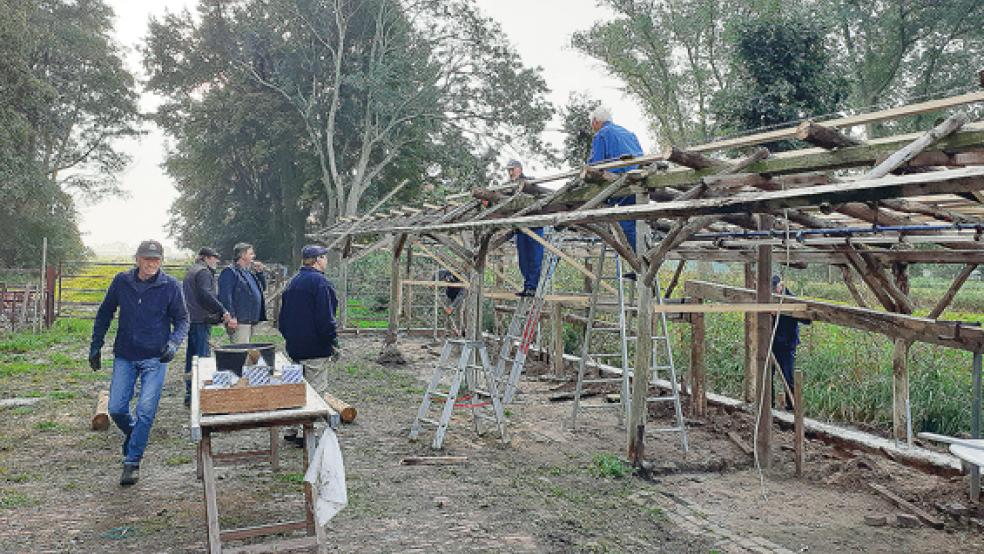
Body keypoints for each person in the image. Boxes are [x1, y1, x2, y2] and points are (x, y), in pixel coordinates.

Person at [88, 240, 189, 486]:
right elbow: (105, 312)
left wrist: (174, 343)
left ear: (161, 261)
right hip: (125, 354)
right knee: (116, 408)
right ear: (137, 259)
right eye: (147, 259)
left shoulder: (171, 286)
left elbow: (183, 319)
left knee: (146, 410)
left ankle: (132, 461)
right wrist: (96, 344)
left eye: (156, 259)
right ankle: (135, 435)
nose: (151, 263)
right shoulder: (122, 282)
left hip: (155, 357)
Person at [278, 245, 340, 446]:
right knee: (316, 389)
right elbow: (325, 318)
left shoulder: (293, 282)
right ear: (317, 260)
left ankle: (291, 430)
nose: (326, 261)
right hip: (315, 346)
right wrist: (332, 340)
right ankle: (313, 434)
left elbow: (282, 318)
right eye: (324, 257)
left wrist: (290, 337)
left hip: (295, 345)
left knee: (296, 388)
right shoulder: (320, 283)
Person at [587, 106, 644, 256]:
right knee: (637, 221)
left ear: (596, 122)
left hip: (620, 183)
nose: (592, 128)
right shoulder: (629, 133)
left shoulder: (602, 134)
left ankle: (640, 262)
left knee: (625, 224)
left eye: (592, 124)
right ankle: (643, 259)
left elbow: (596, 164)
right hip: (639, 179)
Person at [181, 247, 231, 407]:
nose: (216, 260)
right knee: (202, 358)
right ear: (205, 258)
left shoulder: (192, 270)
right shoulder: (203, 272)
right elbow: (205, 294)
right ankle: (200, 395)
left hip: (191, 318)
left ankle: (190, 394)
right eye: (213, 257)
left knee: (192, 357)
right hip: (201, 319)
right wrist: (222, 310)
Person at [771, 275, 811, 410]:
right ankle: (768, 405)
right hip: (771, 343)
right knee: (767, 376)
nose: (773, 292)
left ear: (780, 286)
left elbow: (807, 319)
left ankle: (791, 407)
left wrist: (782, 312)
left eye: (774, 288)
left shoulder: (791, 299)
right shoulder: (767, 297)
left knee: (788, 377)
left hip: (787, 344)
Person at [506, 159, 545, 297]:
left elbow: (537, 192)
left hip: (534, 225)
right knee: (523, 260)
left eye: (513, 169)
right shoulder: (507, 187)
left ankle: (533, 287)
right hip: (520, 228)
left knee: (535, 258)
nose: (510, 173)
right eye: (508, 170)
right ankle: (527, 285)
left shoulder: (529, 182)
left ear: (519, 169)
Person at [218, 242, 267, 343]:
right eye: (251, 254)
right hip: (239, 320)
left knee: (246, 350)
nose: (254, 256)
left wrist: (260, 273)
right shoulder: (230, 272)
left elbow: (263, 288)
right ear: (242, 255)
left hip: (250, 319)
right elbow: (225, 296)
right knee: (240, 352)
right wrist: (231, 317)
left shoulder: (248, 272)